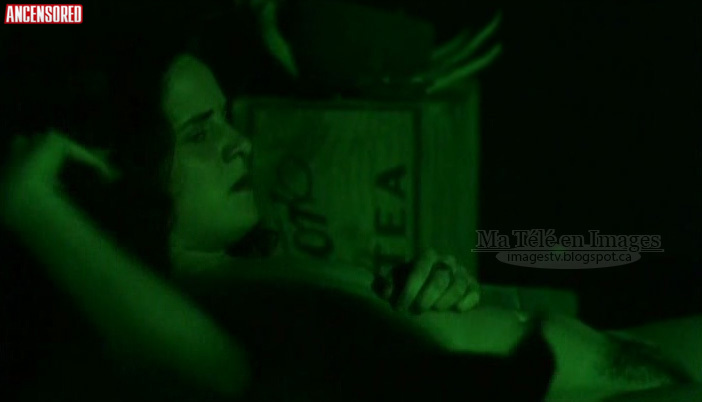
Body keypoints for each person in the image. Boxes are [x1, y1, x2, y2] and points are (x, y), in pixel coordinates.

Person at [1, 4, 700, 402]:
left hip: (623, 355)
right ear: (117, 170)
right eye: (200, 131)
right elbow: (216, 374)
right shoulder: (163, 318)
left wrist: (430, 295)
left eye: (225, 120)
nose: (239, 144)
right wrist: (33, 201)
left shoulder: (246, 274)